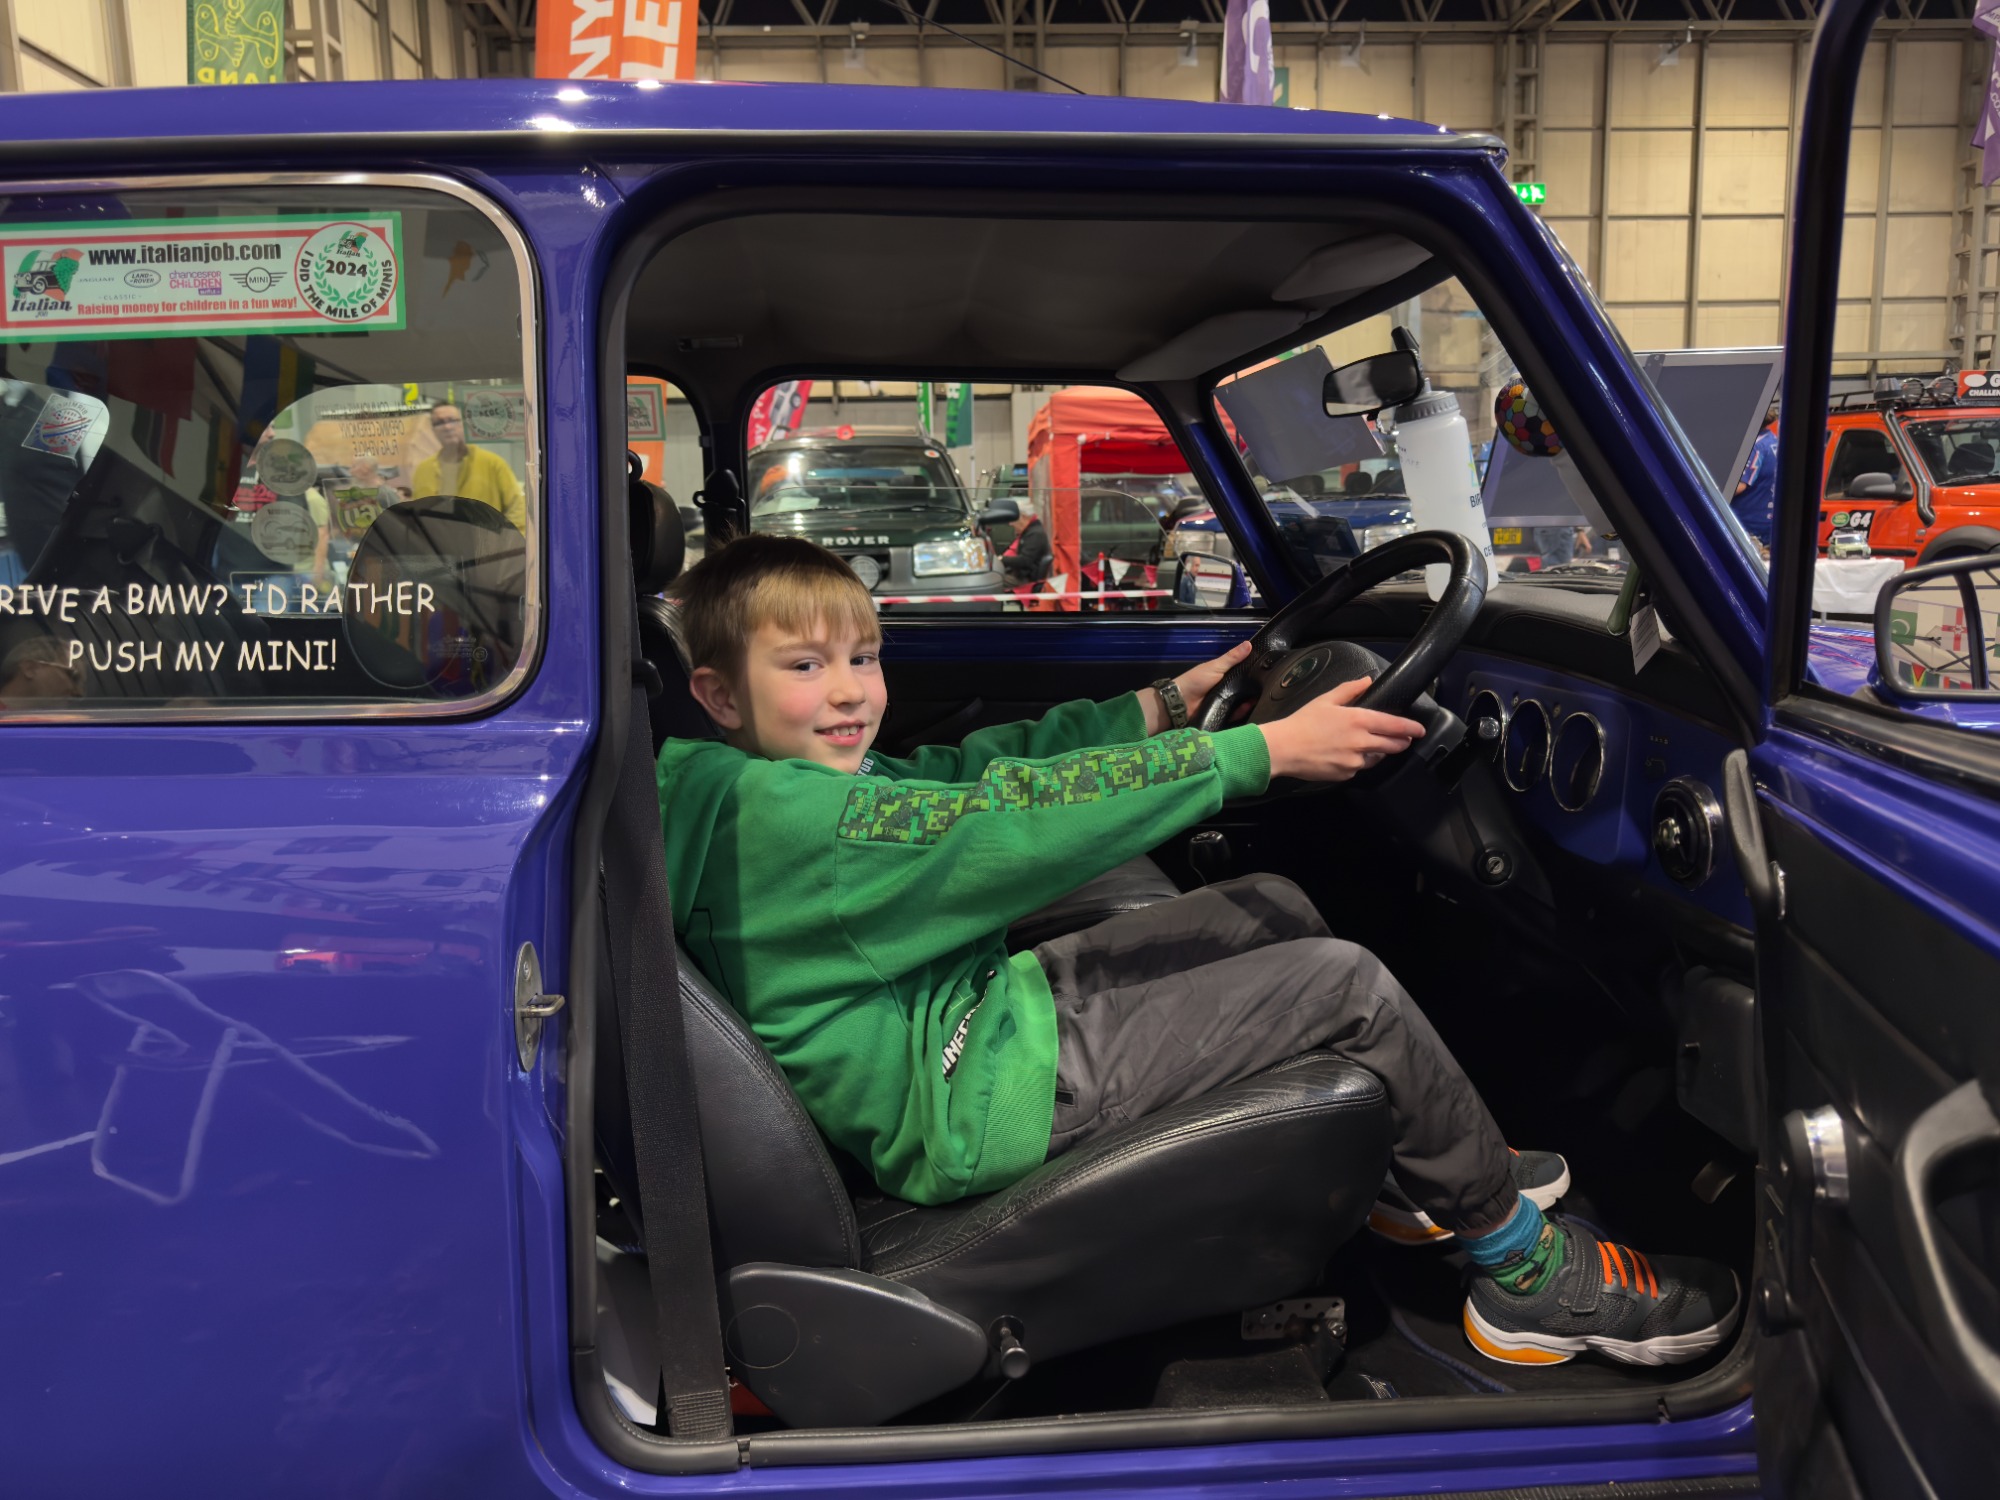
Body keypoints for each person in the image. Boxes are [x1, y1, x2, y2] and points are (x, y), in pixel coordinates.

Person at [659, 534, 1741, 1368]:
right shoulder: (795, 828)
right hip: (962, 1103)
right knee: (1349, 988)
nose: (850, 690)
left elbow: (965, 770)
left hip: (963, 1022)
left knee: (1266, 902)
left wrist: (1166, 704)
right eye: (805, 666)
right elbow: (1006, 816)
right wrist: (1253, 753)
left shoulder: (738, 786)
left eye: (863, 657)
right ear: (717, 693)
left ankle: (1421, 1164)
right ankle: (1524, 1275)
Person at [410, 402, 527, 532]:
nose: (447, 427)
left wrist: (504, 541)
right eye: (439, 423)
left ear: (464, 424)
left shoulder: (492, 464)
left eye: (452, 420)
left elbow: (517, 509)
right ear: (433, 430)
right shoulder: (423, 471)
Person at [1732, 405, 1779, 548]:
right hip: (1768, 522)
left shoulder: (1755, 446)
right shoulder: (1773, 440)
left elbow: (1739, 486)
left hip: (1748, 525)